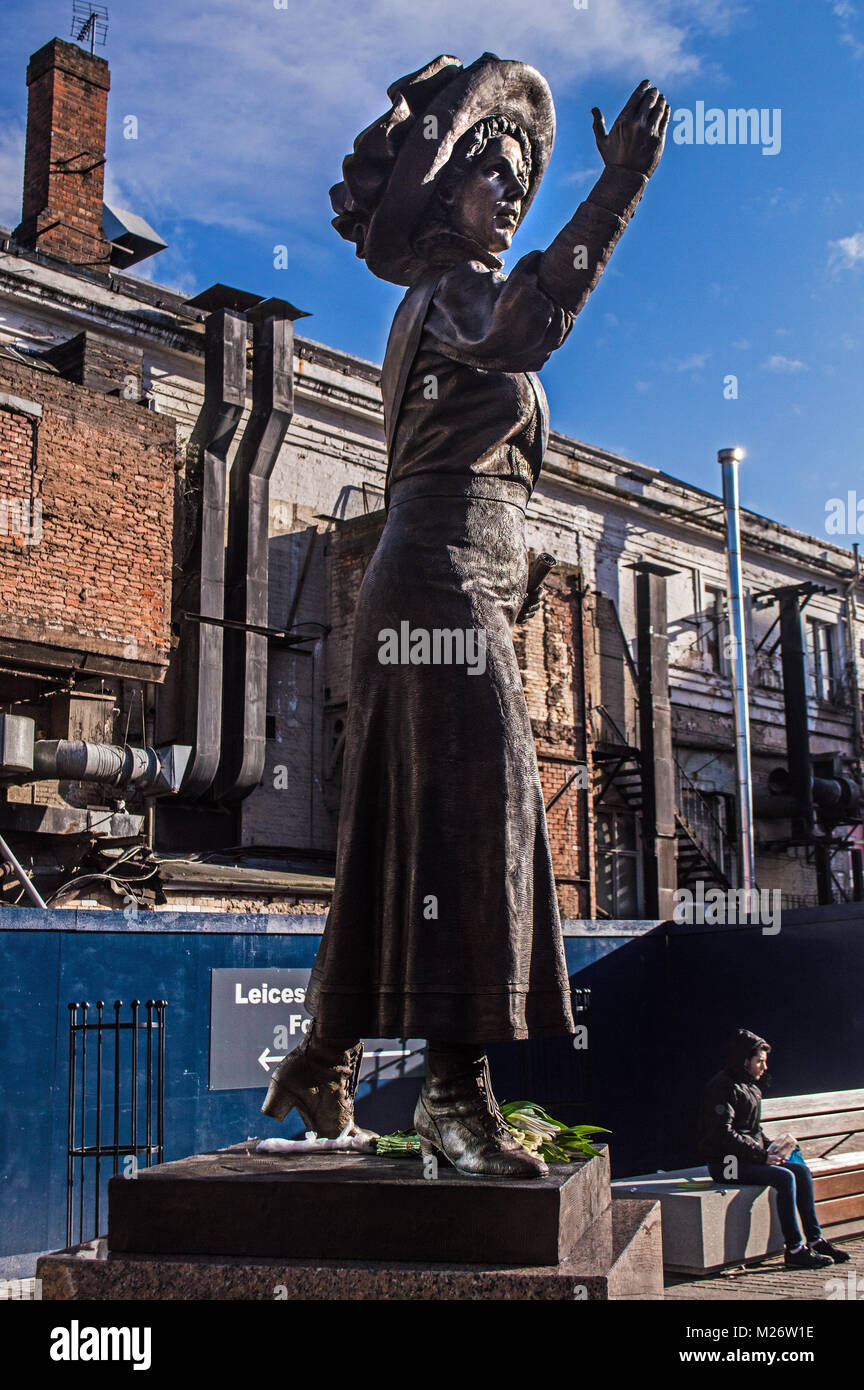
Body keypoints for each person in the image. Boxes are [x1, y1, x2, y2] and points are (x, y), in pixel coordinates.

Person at [263, 54, 669, 1177]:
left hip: (455, 575)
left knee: (413, 822)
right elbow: (531, 325)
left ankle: (325, 1047)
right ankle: (454, 1096)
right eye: (501, 178)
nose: (518, 194)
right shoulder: (451, 295)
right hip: (436, 576)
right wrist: (619, 187)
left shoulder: (446, 300)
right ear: (448, 198)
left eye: (528, 180)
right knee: (482, 818)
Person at [699, 1028, 850, 1268]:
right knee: (784, 1177)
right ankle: (794, 1249)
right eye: (759, 1061)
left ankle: (814, 1239)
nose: (764, 1067)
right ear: (744, 1060)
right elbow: (722, 1134)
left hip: (747, 1158)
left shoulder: (750, 1087)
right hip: (726, 1164)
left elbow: (753, 1130)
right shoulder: (722, 1087)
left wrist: (773, 1149)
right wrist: (761, 1157)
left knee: (800, 1171)